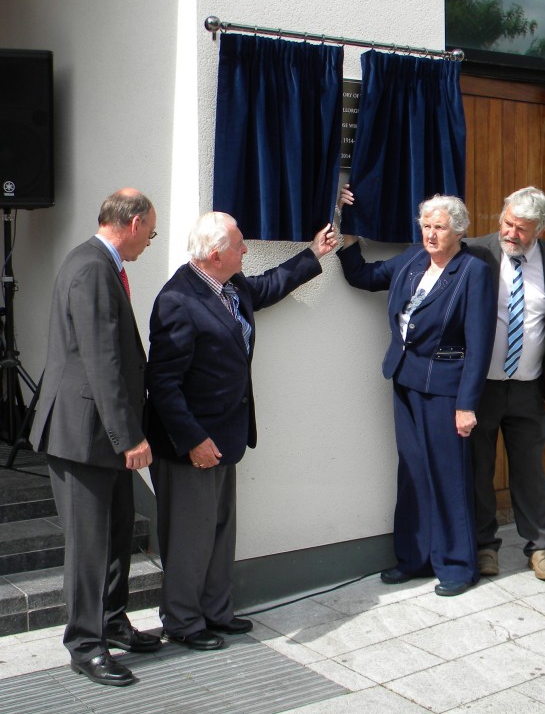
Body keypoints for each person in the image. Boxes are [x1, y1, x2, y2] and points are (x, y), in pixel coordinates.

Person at [146, 212, 337, 650]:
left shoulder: (230, 287)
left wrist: (313, 254)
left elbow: (267, 287)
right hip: (190, 443)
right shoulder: (178, 299)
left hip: (226, 435)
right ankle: (183, 622)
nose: (246, 250)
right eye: (239, 245)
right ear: (215, 255)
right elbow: (162, 384)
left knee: (219, 529)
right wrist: (193, 440)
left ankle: (215, 611)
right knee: (189, 538)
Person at [28, 188, 162, 687]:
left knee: (117, 533)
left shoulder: (100, 265)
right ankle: (85, 645)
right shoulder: (91, 268)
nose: (151, 240)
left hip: (99, 433)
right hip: (83, 436)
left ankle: (111, 622)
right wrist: (130, 437)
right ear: (132, 224)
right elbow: (102, 361)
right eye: (151, 230)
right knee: (88, 546)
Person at [337, 185, 496, 597]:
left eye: (439, 227)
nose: (430, 234)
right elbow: (364, 277)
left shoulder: (473, 271)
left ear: (459, 231)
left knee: (449, 476)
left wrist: (467, 405)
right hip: (405, 380)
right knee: (411, 471)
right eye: (425, 225)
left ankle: (458, 566)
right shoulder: (412, 258)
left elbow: (480, 344)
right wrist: (349, 236)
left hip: (445, 388)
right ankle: (414, 558)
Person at [465, 186, 545, 581]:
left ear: (539, 230)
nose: (512, 233)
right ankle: (484, 548)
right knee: (479, 470)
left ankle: (541, 547)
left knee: (529, 470)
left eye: (522, 229)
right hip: (481, 387)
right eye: (508, 223)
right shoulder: (475, 251)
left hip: (528, 386)